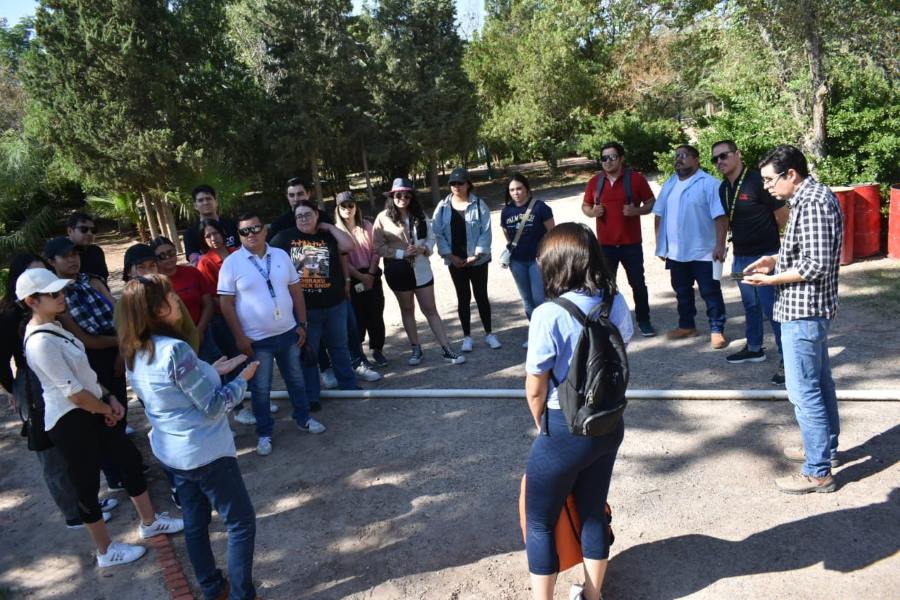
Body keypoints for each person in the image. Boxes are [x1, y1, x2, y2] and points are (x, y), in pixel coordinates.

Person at [18, 268, 183, 568]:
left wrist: (109, 398)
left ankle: (149, 521)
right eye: (53, 294)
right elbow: (73, 393)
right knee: (86, 485)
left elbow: (86, 376)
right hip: (71, 420)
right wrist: (106, 408)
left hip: (94, 408)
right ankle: (105, 550)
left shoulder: (57, 326)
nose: (61, 297)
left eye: (60, 291)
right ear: (32, 301)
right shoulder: (40, 341)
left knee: (129, 460)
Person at [120, 274, 259, 599]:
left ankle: (211, 587)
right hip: (205, 452)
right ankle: (241, 595)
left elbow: (174, 390)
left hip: (173, 453)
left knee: (195, 522)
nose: (177, 301)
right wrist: (242, 381)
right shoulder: (175, 350)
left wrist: (212, 370)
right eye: (170, 297)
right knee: (240, 523)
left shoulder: (135, 350)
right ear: (156, 309)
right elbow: (212, 406)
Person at [523, 223, 633, 600]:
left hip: (563, 427)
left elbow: (535, 387)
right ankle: (593, 594)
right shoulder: (614, 301)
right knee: (592, 512)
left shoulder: (548, 314)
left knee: (539, 520)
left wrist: (544, 428)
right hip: (608, 422)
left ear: (557, 263)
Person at [744, 144, 843, 495]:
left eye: (771, 180)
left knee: (805, 391)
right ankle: (823, 448)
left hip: (804, 311)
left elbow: (816, 265)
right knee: (819, 384)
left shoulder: (814, 202)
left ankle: (818, 470)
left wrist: (770, 281)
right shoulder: (805, 199)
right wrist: (773, 260)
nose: (767, 187)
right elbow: (802, 253)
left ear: (791, 174)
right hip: (802, 311)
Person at [1, 253, 118, 528]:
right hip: (33, 388)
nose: (54, 288)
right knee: (51, 453)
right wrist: (14, 390)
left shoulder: (55, 313)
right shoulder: (14, 319)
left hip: (62, 381)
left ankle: (87, 502)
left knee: (77, 454)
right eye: (37, 276)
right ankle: (74, 511)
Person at [218, 212, 323, 457]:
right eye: (245, 231)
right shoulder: (232, 264)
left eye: (255, 228)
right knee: (261, 389)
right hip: (256, 340)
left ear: (265, 230)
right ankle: (264, 432)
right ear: (239, 235)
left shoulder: (281, 255)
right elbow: (225, 304)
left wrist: (302, 323)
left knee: (296, 380)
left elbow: (296, 290)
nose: (251, 234)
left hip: (288, 332)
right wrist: (240, 337)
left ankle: (303, 417)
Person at [712, 140, 789, 383]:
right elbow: (724, 218)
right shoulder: (724, 188)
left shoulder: (758, 181)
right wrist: (719, 244)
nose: (719, 162)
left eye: (723, 156)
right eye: (715, 159)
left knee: (771, 308)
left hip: (765, 256)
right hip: (740, 258)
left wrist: (776, 246)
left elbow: (782, 215)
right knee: (749, 305)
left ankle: (788, 360)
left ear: (738, 154)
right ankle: (755, 347)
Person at [270, 200, 360, 409]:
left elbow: (349, 246)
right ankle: (312, 395)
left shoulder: (328, 234)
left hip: (334, 305)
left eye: (308, 214)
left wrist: (329, 227)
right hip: (305, 309)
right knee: (308, 352)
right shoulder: (285, 237)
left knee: (339, 346)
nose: (303, 219)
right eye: (299, 215)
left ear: (317, 215)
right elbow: (268, 257)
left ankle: (348, 386)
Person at [373, 178, 465, 366]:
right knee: (407, 309)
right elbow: (378, 247)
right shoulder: (382, 218)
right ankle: (416, 348)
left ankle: (446, 348)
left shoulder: (420, 215)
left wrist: (424, 249)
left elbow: (431, 238)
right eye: (398, 195)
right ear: (392, 196)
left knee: (430, 309)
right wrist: (401, 253)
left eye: (407, 195)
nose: (403, 198)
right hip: (398, 270)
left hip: (421, 269)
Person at [653, 144, 729, 349]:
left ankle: (716, 329)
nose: (679, 159)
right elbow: (659, 213)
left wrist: (720, 245)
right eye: (677, 156)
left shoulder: (710, 184)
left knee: (710, 292)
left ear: (697, 160)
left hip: (705, 251)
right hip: (676, 252)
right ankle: (686, 325)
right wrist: (661, 244)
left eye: (684, 155)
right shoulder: (669, 183)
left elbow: (721, 217)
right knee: (681, 290)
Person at [581, 142, 657, 337]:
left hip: (631, 243)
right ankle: (606, 322)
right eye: (604, 158)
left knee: (637, 283)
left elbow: (651, 203)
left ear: (621, 158)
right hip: (605, 246)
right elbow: (586, 206)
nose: (607, 161)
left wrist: (636, 211)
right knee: (604, 285)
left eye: (612, 157)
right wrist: (592, 212)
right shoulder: (595, 182)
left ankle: (644, 320)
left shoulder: (636, 179)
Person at [432, 167, 501, 352]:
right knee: (463, 298)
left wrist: (476, 255)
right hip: (455, 261)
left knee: (481, 296)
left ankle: (489, 334)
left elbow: (486, 232)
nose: (456, 187)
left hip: (477, 261)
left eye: (460, 183)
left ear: (468, 184)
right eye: (453, 183)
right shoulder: (442, 207)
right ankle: (467, 337)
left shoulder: (479, 204)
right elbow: (437, 233)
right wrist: (450, 256)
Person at [334, 191, 388, 367]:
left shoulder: (367, 225)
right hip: (352, 278)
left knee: (376, 314)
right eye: (343, 206)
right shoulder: (336, 231)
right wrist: (360, 277)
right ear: (338, 208)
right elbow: (341, 259)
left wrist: (370, 274)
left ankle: (377, 350)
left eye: (351, 205)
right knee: (357, 318)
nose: (348, 209)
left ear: (356, 207)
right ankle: (359, 355)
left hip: (372, 275)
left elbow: (376, 250)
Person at [500, 173, 554, 342]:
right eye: (512, 190)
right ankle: (536, 334)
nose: (515, 193)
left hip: (538, 259)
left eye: (519, 188)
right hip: (517, 261)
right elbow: (507, 234)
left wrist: (547, 256)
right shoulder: (506, 211)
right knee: (527, 299)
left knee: (539, 298)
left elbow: (553, 233)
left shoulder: (540, 207)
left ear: (527, 189)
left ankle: (548, 333)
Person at [150, 237, 216, 361]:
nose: (168, 258)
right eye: (162, 256)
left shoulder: (192, 273)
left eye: (171, 253)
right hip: (173, 339)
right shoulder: (154, 283)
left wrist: (199, 330)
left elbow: (208, 304)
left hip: (203, 332)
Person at [183, 184, 239, 266]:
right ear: (195, 206)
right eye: (200, 200)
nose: (205, 202)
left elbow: (244, 250)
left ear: (216, 202)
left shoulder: (233, 224)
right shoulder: (190, 234)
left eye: (208, 198)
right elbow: (195, 262)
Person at [66, 211, 109, 283]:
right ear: (70, 231)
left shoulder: (97, 251)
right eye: (84, 229)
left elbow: (103, 279)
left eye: (93, 230)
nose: (89, 233)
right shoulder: (59, 253)